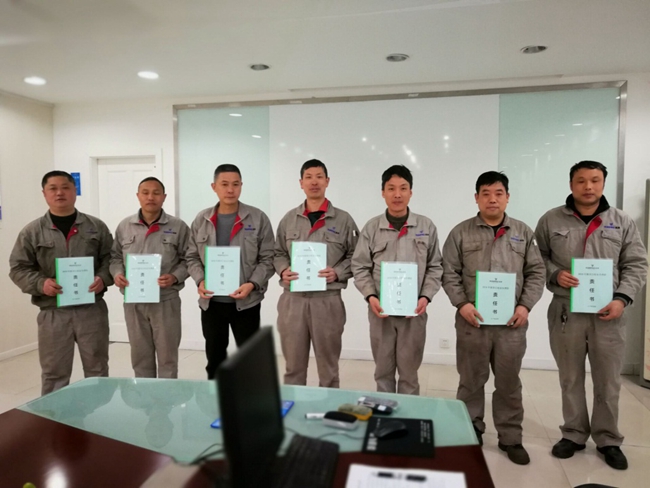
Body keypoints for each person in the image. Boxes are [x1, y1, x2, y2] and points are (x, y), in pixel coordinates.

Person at [535, 160, 647, 470]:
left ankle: (608, 439)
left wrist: (622, 298)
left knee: (608, 380)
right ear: (571, 184)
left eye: (595, 180)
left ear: (603, 184)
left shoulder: (621, 221)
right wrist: (555, 274)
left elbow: (637, 264)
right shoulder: (551, 220)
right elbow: (536, 257)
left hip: (608, 312)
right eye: (581, 180)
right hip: (566, 311)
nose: (588, 186)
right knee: (570, 377)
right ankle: (573, 433)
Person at [441, 171, 545, 465]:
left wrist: (525, 306)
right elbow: (448, 272)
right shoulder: (460, 233)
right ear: (476, 198)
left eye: (498, 193)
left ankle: (510, 437)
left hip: (511, 325)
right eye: (485, 194)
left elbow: (537, 272)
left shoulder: (523, 232)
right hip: (472, 322)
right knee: (470, 381)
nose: (492, 199)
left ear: (507, 197)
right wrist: (462, 304)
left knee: (509, 382)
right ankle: (469, 430)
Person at [9, 170, 114, 395]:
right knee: (54, 373)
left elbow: (111, 259)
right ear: (44, 194)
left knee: (97, 369)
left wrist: (103, 278)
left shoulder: (96, 227)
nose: (59, 193)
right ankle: (53, 416)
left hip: (91, 310)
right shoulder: (32, 231)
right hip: (52, 312)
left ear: (74, 191)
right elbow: (18, 268)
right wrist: (41, 284)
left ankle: (98, 414)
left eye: (65, 187)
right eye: (53, 188)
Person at [351, 165, 443, 395]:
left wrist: (426, 297)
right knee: (382, 372)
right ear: (383, 192)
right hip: (380, 312)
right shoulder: (372, 228)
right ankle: (386, 413)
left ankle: (408, 414)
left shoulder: (426, 226)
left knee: (409, 374)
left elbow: (435, 266)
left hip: (414, 313)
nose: (397, 194)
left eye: (403, 188)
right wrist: (371, 296)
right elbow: (359, 266)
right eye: (391, 188)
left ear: (411, 192)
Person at [274, 159, 359, 387]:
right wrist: (283, 269)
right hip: (293, 301)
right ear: (301, 183)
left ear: (327, 181)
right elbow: (277, 252)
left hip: (327, 301)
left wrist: (338, 272)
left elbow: (357, 256)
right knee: (293, 368)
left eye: (319, 177)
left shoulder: (343, 220)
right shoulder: (289, 219)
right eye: (309, 177)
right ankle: (294, 405)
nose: (314, 182)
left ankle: (329, 406)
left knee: (329, 369)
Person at [186, 164, 275, 379]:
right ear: (214, 187)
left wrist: (252, 284)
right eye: (224, 184)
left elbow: (268, 258)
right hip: (212, 303)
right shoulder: (202, 219)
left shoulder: (257, 218)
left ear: (241, 186)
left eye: (235, 184)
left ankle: (247, 398)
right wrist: (200, 280)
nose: (230, 189)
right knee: (215, 359)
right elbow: (191, 256)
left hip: (246, 302)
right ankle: (215, 397)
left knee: (249, 360)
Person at [110, 177, 190, 378]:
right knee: (140, 357)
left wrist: (174, 276)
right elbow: (115, 257)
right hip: (134, 302)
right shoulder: (125, 226)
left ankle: (166, 397)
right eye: (145, 192)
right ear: (138, 196)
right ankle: (144, 397)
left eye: (156, 193)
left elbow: (189, 259)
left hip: (165, 301)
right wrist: (117, 274)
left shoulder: (178, 226)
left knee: (167, 358)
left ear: (164, 197)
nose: (150, 197)